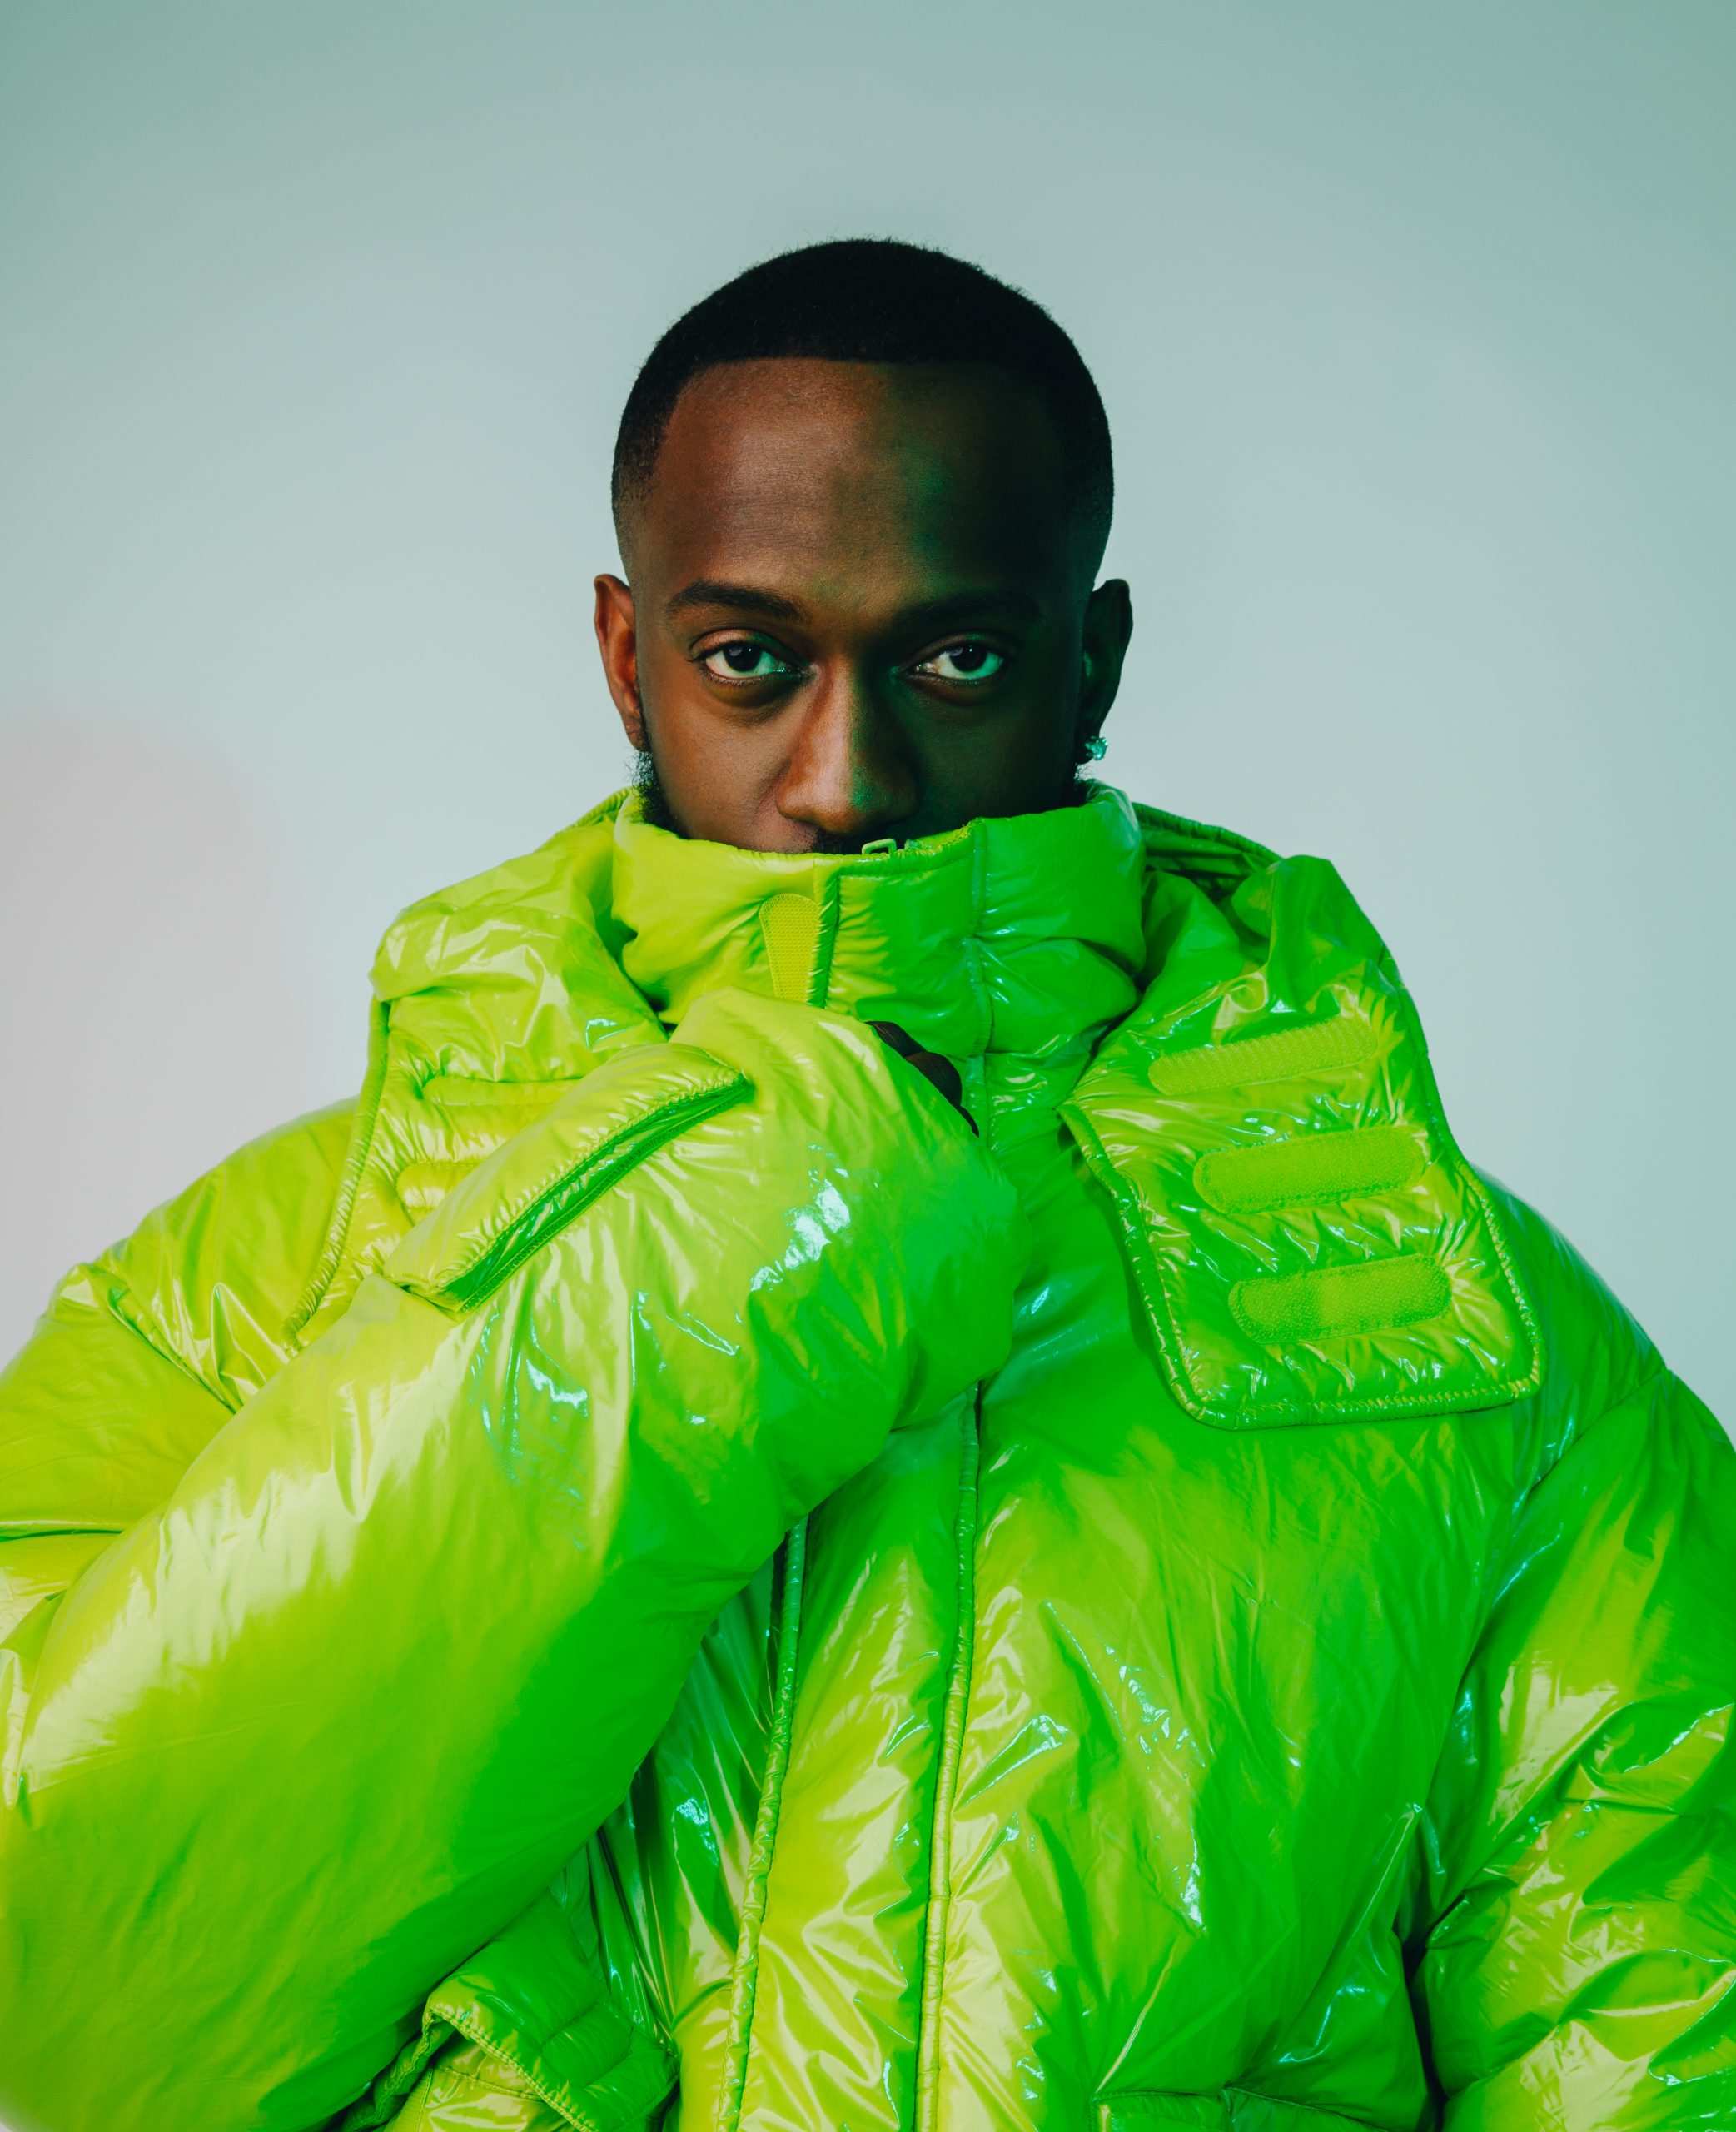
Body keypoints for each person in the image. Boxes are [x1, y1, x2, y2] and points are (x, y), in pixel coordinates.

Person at [0, 239, 1729, 2132]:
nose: (845, 778)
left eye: (955, 657)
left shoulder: (1460, 1332)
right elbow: (70, 2023)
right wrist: (675, 1263)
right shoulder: (262, 1279)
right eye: (751, 658)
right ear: (626, 656)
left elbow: (1648, 2044)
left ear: (1091, 659)